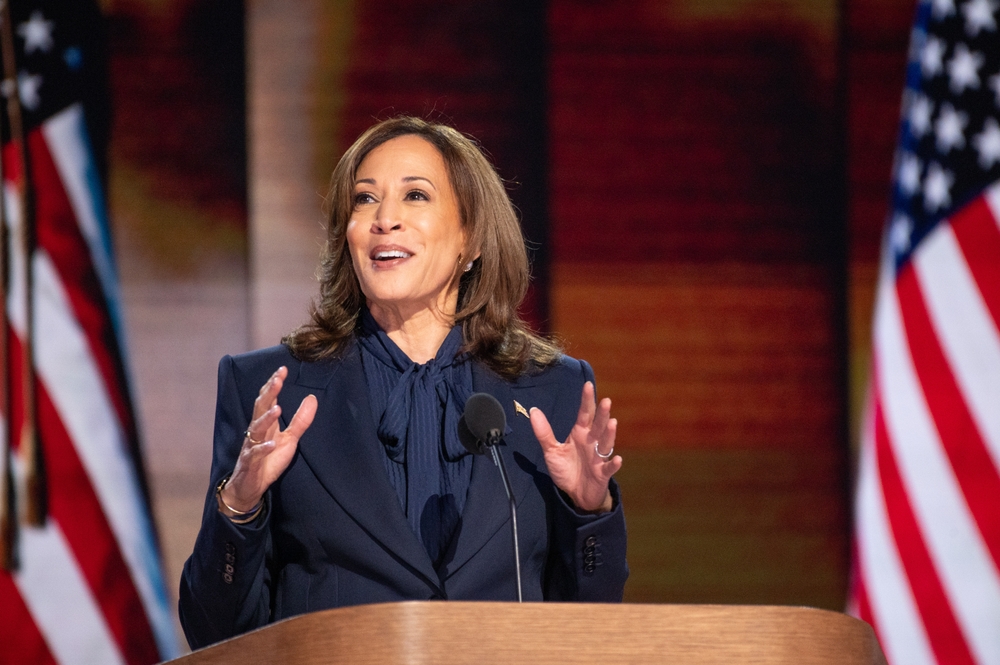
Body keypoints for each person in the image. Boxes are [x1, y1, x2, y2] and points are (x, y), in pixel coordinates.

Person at [178, 116, 628, 649]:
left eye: (415, 196)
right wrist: (240, 506)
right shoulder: (271, 388)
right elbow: (214, 631)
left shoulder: (551, 391)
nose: (384, 219)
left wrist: (588, 513)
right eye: (365, 200)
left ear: (472, 239)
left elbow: (590, 632)